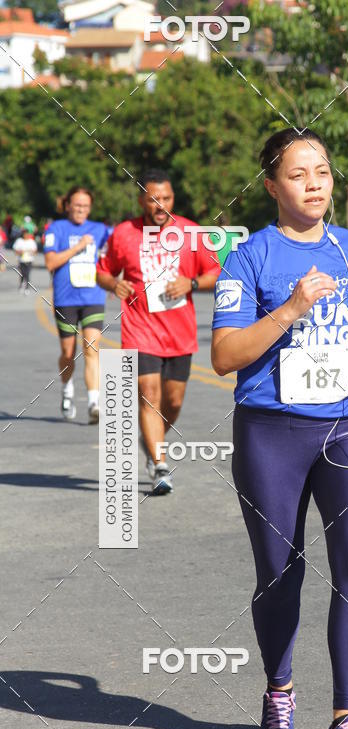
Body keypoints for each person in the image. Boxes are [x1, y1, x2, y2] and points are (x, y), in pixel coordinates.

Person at [211, 128, 348, 729]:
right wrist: (291, 308)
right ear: (272, 185)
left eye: (322, 171)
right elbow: (223, 356)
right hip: (271, 433)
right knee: (279, 573)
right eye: (299, 174)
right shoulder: (249, 258)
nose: (315, 183)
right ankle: (280, 691)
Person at [97, 169, 221, 495]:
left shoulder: (190, 232)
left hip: (180, 332)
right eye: (154, 199)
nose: (160, 205)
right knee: (148, 392)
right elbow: (103, 272)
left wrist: (191, 283)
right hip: (140, 329)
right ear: (142, 200)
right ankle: (160, 465)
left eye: (166, 198)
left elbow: (214, 273)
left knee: (174, 402)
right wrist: (114, 283)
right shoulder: (124, 233)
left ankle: (152, 437)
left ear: (173, 199)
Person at [44, 187, 110, 423]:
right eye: (77, 205)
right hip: (66, 299)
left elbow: (115, 250)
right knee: (68, 353)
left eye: (85, 206)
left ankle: (94, 402)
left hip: (93, 297)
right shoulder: (56, 229)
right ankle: (67, 388)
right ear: (68, 205)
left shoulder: (100, 230)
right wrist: (78, 246)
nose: (81, 210)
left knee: (91, 348)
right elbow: (50, 262)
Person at [13, 229, 37, 294]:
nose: (26, 235)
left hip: (29, 260)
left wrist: (31, 252)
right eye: (24, 234)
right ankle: (21, 285)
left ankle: (27, 288)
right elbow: (15, 251)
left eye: (27, 234)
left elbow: (35, 251)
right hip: (21, 260)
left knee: (27, 274)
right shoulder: (19, 241)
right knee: (22, 274)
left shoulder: (31, 242)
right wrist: (20, 252)